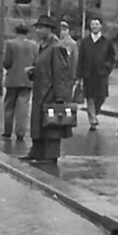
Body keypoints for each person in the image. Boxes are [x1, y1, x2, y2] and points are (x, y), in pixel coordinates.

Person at [24, 14, 73, 164]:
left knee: (52, 125)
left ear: (49, 29)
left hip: (51, 92)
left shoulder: (56, 47)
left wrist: (60, 96)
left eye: (40, 28)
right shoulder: (44, 46)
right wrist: (33, 71)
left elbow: (60, 73)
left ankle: (50, 156)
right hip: (41, 91)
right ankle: (37, 151)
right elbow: (43, 67)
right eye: (37, 28)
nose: (37, 31)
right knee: (39, 123)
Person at [76, 15, 116, 130]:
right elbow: (81, 58)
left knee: (101, 96)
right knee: (90, 97)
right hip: (88, 74)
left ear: (101, 26)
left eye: (97, 24)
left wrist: (107, 68)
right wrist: (79, 75)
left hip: (101, 74)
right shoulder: (85, 42)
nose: (94, 26)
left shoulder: (107, 41)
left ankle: (95, 112)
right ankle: (92, 119)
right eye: (92, 24)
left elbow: (112, 57)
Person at [0, 24, 37, 141]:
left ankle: (7, 131)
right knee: (23, 106)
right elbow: (36, 61)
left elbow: (7, 62)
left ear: (16, 32)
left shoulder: (10, 44)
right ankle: (20, 132)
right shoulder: (33, 45)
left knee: (9, 105)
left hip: (12, 79)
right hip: (27, 79)